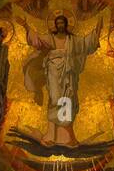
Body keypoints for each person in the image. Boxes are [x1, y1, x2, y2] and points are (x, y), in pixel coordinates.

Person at [18, 13, 103, 146]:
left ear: (66, 24)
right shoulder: (50, 38)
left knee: (67, 100)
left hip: (68, 72)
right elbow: (37, 40)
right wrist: (25, 26)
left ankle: (68, 138)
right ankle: (51, 136)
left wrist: (97, 30)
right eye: (58, 23)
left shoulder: (73, 40)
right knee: (55, 99)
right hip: (53, 70)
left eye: (62, 23)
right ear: (55, 25)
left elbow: (86, 43)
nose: (60, 25)